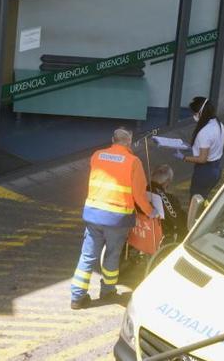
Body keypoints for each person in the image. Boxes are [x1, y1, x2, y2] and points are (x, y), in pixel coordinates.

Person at [70, 127, 154, 310]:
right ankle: (107, 291)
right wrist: (149, 211)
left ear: (112, 139)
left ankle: (76, 297)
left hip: (93, 214)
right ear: (128, 141)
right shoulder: (133, 162)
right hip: (117, 219)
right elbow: (139, 194)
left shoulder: (97, 155)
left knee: (87, 256)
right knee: (112, 255)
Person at [174, 96, 224, 204]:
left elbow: (202, 159)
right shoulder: (218, 124)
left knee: (195, 201)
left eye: (195, 113)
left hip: (205, 172)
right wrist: (192, 147)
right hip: (216, 168)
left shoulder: (205, 132)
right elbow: (210, 146)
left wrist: (184, 157)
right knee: (202, 198)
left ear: (201, 112)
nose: (194, 116)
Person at [148, 164, 186, 242]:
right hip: (161, 234)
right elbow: (179, 220)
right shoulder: (168, 199)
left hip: (142, 230)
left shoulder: (142, 190)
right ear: (167, 182)